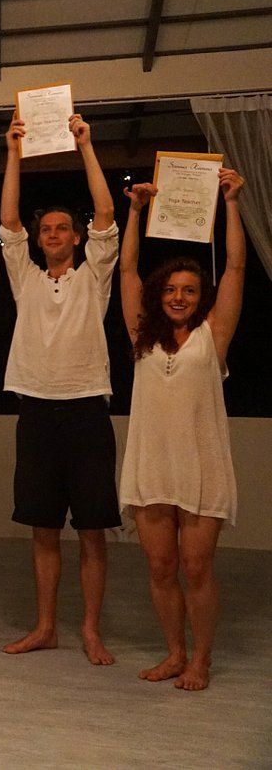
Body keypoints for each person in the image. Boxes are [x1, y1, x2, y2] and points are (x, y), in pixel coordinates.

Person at [0, 112, 121, 665]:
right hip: (37, 413)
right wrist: (13, 154)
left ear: (75, 238)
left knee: (92, 529)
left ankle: (90, 628)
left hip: (87, 411)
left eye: (60, 229)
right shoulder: (24, 277)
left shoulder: (95, 276)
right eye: (44, 230)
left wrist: (85, 146)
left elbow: (106, 213)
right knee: (43, 528)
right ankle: (46, 625)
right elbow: (7, 224)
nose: (51, 236)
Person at [118, 168, 245, 691]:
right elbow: (126, 272)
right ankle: (174, 652)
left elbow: (236, 264)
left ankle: (202, 659)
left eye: (189, 290)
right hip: (152, 468)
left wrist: (231, 203)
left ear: (201, 297)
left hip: (200, 467)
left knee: (196, 569)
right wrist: (135, 211)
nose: (178, 297)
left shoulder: (211, 338)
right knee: (161, 568)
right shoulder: (142, 338)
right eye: (170, 289)